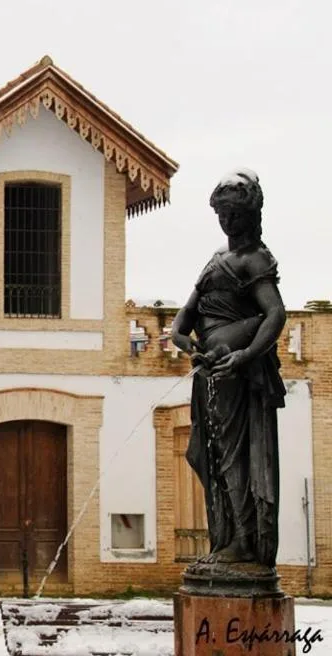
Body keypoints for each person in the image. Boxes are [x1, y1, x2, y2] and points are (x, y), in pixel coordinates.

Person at [169, 168, 287, 568]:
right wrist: (192, 350)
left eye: (235, 213)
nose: (227, 221)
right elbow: (180, 325)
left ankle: (242, 542)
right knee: (208, 455)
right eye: (222, 213)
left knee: (235, 458)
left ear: (253, 213)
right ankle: (224, 539)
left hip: (237, 376)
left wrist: (247, 353)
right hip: (209, 375)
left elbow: (275, 313)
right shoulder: (216, 260)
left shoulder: (255, 259)